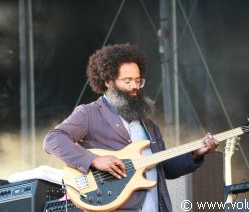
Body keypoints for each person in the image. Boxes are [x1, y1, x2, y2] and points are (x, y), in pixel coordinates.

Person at [43, 43, 219, 212]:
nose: (135, 86)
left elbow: (164, 169)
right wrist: (93, 160)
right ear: (108, 82)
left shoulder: (149, 124)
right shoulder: (89, 114)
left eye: (137, 80)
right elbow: (53, 140)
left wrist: (196, 154)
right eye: (127, 81)